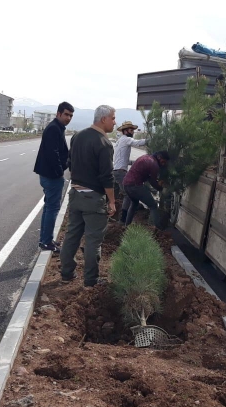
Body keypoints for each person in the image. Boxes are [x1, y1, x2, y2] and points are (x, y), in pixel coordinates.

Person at [59, 105, 117, 287]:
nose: (115, 122)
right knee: (93, 240)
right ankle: (90, 280)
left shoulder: (77, 136)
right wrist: (112, 202)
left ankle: (66, 273)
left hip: (76, 194)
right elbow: (107, 177)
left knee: (72, 235)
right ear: (103, 119)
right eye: (113, 118)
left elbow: (70, 162)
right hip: (93, 198)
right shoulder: (104, 144)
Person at [33, 101, 74, 251]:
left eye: (71, 115)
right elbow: (52, 154)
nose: (68, 118)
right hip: (51, 176)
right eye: (66, 114)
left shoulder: (58, 128)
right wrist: (59, 172)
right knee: (52, 208)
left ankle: (45, 240)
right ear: (58, 114)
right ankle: (46, 242)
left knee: (49, 207)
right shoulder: (53, 129)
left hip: (50, 174)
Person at [123, 150, 170, 228]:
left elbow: (147, 176)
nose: (163, 164)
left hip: (126, 184)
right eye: (163, 162)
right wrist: (161, 188)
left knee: (134, 203)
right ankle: (157, 228)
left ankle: (127, 225)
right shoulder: (154, 164)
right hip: (135, 186)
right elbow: (153, 182)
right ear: (159, 157)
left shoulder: (146, 157)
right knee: (153, 205)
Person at [112, 120, 147, 222]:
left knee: (126, 194)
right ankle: (123, 220)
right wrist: (150, 140)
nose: (132, 132)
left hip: (118, 171)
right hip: (120, 172)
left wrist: (136, 162)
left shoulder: (120, 141)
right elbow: (137, 143)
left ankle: (121, 218)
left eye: (133, 130)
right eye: (131, 130)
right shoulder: (126, 139)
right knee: (128, 194)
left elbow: (124, 160)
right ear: (125, 131)